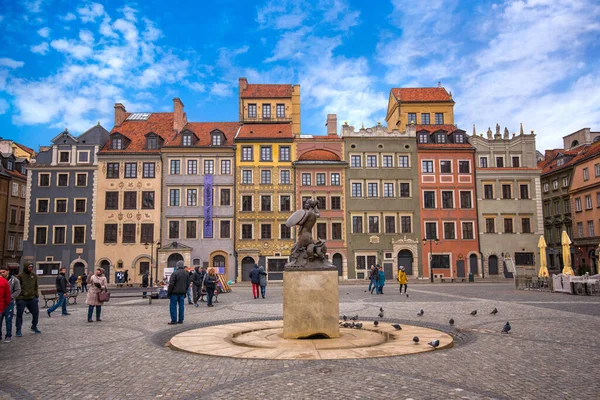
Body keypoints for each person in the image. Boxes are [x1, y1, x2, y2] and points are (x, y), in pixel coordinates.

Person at [16, 262, 41, 336]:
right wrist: (18, 297)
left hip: (32, 298)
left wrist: (36, 296)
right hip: (22, 298)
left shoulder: (34, 275)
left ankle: (34, 326)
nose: (30, 268)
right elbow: (17, 287)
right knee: (19, 314)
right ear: (25, 267)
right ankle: (18, 329)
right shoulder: (20, 276)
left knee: (36, 313)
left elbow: (36, 286)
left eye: (31, 267)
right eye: (29, 267)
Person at [0, 266, 21, 343]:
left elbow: (18, 290)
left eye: (3, 272)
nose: (2, 274)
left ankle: (8, 335)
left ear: (7, 271)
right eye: (0, 272)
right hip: (1, 302)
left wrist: (10, 297)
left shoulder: (14, 280)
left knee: (8, 319)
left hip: (9, 303)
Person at [167, 261, 189, 325]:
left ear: (177, 266)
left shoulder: (175, 273)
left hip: (174, 293)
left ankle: (174, 320)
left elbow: (171, 284)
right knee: (181, 306)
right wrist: (185, 291)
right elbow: (187, 284)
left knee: (173, 306)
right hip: (182, 293)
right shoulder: (186, 274)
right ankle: (181, 320)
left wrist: (169, 293)